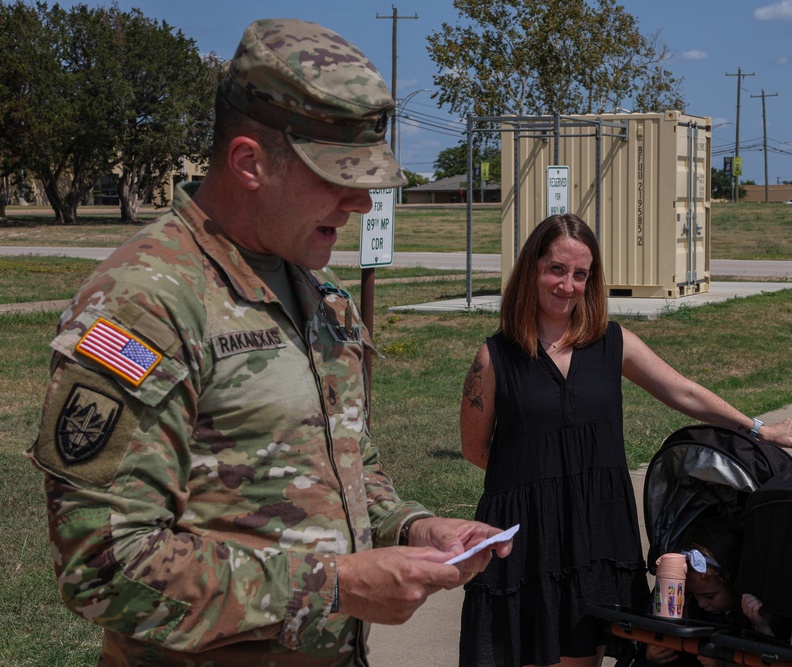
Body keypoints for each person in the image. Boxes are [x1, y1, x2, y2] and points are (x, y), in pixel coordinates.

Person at [27, 18, 510, 667]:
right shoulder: (146, 304)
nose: (363, 202)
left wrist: (414, 527)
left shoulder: (321, 295)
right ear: (250, 162)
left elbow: (350, 476)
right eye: (337, 176)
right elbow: (105, 564)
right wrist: (335, 584)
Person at [458, 213, 792, 667]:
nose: (567, 285)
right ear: (532, 270)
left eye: (580, 274)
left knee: (582, 654)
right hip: (529, 540)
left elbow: (681, 390)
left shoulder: (611, 343)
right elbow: (475, 449)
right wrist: (542, 483)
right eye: (556, 269)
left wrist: (760, 428)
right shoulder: (494, 357)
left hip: (595, 532)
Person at [642, 518, 745, 667]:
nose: (701, 603)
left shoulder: (745, 618)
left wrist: (724, 663)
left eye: (709, 596)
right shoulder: (689, 607)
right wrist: (651, 654)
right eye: (694, 594)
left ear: (733, 583)